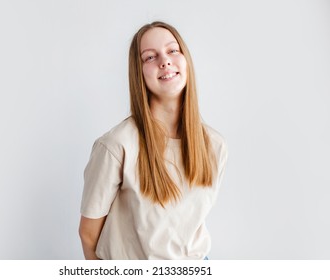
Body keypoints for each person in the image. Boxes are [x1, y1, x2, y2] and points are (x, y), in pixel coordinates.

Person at [79, 21, 228, 260]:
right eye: (150, 57)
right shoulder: (116, 146)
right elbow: (88, 234)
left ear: (185, 59)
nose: (165, 61)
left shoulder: (215, 145)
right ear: (138, 73)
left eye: (172, 50)